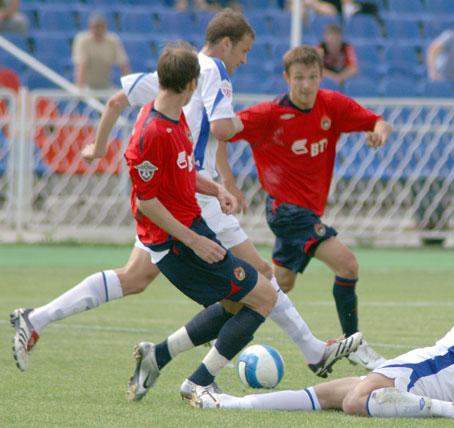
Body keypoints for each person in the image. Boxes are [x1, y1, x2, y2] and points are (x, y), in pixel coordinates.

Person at [10, 9, 360, 390]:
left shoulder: (174, 70)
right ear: (226, 44)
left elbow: (114, 103)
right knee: (259, 276)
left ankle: (41, 320)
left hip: (178, 183)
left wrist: (97, 146)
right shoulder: (213, 72)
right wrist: (257, 122)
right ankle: (307, 352)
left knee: (135, 277)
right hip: (188, 197)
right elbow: (223, 128)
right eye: (243, 50)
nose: (244, 60)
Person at [188, 197, 454, 421]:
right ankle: (230, 403)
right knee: (328, 394)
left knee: (356, 401)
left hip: (443, 367)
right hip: (444, 371)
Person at [121, 41, 279, 401]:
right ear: (193, 83)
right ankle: (198, 383)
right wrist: (195, 241)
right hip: (176, 243)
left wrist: (216, 189)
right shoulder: (151, 133)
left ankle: (158, 355)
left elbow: (182, 171)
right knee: (263, 299)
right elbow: (146, 202)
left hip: (193, 227)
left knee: (236, 303)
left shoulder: (175, 117)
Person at [220, 45, 392, 369]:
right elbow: (220, 133)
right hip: (286, 211)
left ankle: (216, 326)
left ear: (321, 76)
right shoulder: (269, 114)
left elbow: (379, 122)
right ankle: (353, 343)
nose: (306, 85)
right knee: (348, 265)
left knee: (276, 285)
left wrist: (378, 133)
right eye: (299, 78)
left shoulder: (332, 105)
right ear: (286, 78)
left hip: (306, 212)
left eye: (313, 77)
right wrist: (227, 182)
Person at [72, 13, 130, 90]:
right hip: (87, 86)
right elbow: (81, 66)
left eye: (100, 27)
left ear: (105, 27)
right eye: (95, 27)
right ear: (90, 27)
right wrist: (80, 90)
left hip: (106, 85)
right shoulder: (82, 41)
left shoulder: (113, 40)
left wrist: (128, 88)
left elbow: (124, 65)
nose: (98, 30)